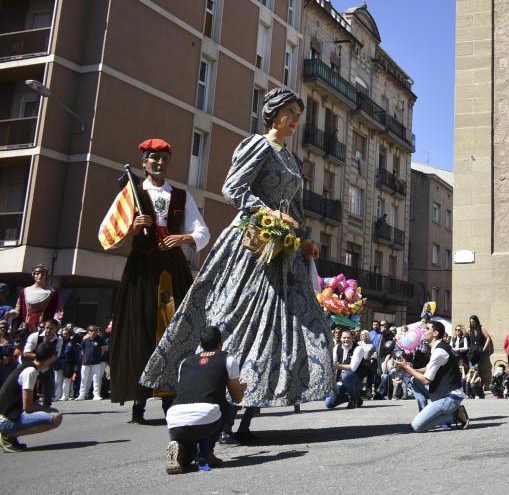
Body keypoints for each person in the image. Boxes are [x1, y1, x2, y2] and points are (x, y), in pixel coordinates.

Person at [141, 88, 335, 442]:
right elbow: (233, 188)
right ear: (273, 113)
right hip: (252, 245)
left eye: (298, 114)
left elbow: (292, 207)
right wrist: (267, 213)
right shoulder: (257, 146)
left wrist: (304, 240)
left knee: (288, 328)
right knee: (237, 320)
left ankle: (247, 414)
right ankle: (220, 412)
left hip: (282, 251)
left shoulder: (291, 158)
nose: (294, 119)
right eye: (289, 112)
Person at [100, 138, 210, 423]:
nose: (159, 164)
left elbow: (202, 232)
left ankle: (170, 397)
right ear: (144, 162)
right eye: (153, 159)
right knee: (141, 331)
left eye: (163, 159)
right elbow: (107, 233)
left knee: (174, 331)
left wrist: (184, 238)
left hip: (173, 269)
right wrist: (131, 226)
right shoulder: (131, 194)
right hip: (141, 271)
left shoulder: (181, 196)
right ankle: (138, 400)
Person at [164, 326, 245, 474]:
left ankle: (179, 447)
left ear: (200, 345)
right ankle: (208, 452)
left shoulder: (185, 362)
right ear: (221, 344)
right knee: (227, 406)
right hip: (206, 417)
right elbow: (237, 398)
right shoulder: (228, 360)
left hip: (175, 418)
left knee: (188, 453)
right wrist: (242, 387)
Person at [395, 321, 469, 431]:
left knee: (417, 426)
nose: (423, 330)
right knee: (414, 380)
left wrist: (407, 368)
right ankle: (425, 413)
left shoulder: (439, 351)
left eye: (427, 329)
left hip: (449, 397)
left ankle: (454, 415)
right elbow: (428, 369)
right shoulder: (439, 347)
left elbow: (426, 380)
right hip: (444, 393)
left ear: (435, 333)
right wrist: (411, 368)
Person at [0, 339, 62, 452]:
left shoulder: (28, 366)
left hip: (7, 413)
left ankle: (9, 435)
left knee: (47, 410)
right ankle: (8, 436)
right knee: (56, 417)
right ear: (51, 357)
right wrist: (47, 409)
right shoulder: (31, 372)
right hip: (5, 418)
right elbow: (27, 406)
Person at [9, 264, 62, 334]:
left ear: (46, 276)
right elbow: (18, 308)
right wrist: (13, 313)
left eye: (43, 274)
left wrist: (56, 323)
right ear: (33, 275)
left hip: (44, 328)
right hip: (25, 327)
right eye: (37, 273)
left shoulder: (53, 291)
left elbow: (58, 310)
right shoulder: (24, 291)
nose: (40, 276)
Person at [22, 319, 63, 407]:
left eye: (51, 328)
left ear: (56, 328)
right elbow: (26, 353)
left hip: (46, 365)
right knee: (30, 384)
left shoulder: (59, 340)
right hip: (32, 364)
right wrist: (41, 358)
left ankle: (47, 405)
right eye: (47, 328)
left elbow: (56, 355)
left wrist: (47, 361)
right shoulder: (35, 336)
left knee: (49, 385)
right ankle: (29, 404)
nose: (48, 330)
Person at [325, 330, 365, 410]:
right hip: (341, 379)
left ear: (352, 338)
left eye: (348, 338)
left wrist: (337, 366)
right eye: (344, 338)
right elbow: (333, 363)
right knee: (329, 403)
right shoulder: (336, 347)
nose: (346, 340)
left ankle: (353, 399)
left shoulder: (358, 348)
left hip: (355, 378)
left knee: (346, 375)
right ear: (340, 338)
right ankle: (356, 397)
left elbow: (352, 368)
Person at [76, 325, 107, 401]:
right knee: (83, 379)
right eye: (91, 330)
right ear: (88, 331)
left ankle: (96, 395)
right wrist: (85, 358)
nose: (93, 332)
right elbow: (82, 350)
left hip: (96, 362)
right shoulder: (85, 340)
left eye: (95, 331)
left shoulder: (100, 339)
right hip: (85, 362)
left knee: (96, 379)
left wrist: (98, 357)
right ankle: (81, 395)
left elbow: (103, 349)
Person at [466, 315, 491, 398]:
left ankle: (477, 392)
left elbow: (488, 338)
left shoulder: (481, 328)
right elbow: (467, 338)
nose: (472, 323)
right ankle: (471, 392)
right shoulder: (470, 329)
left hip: (478, 352)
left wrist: (484, 348)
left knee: (476, 370)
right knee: (471, 371)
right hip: (471, 352)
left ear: (476, 321)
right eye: (470, 322)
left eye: (473, 322)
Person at [54, 326, 78, 402]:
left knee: (66, 380)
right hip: (59, 362)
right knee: (57, 379)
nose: (64, 335)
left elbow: (76, 355)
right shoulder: (58, 342)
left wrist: (75, 364)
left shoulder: (72, 343)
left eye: (66, 334)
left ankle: (65, 396)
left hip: (68, 363)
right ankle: (57, 395)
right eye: (63, 334)